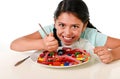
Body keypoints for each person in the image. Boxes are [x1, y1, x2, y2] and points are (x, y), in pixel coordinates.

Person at [10, 0, 120, 64]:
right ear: (55, 22)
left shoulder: (90, 34)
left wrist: (113, 54)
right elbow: (14, 45)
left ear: (84, 25)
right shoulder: (49, 31)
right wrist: (42, 43)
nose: (67, 33)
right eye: (62, 25)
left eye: (75, 26)